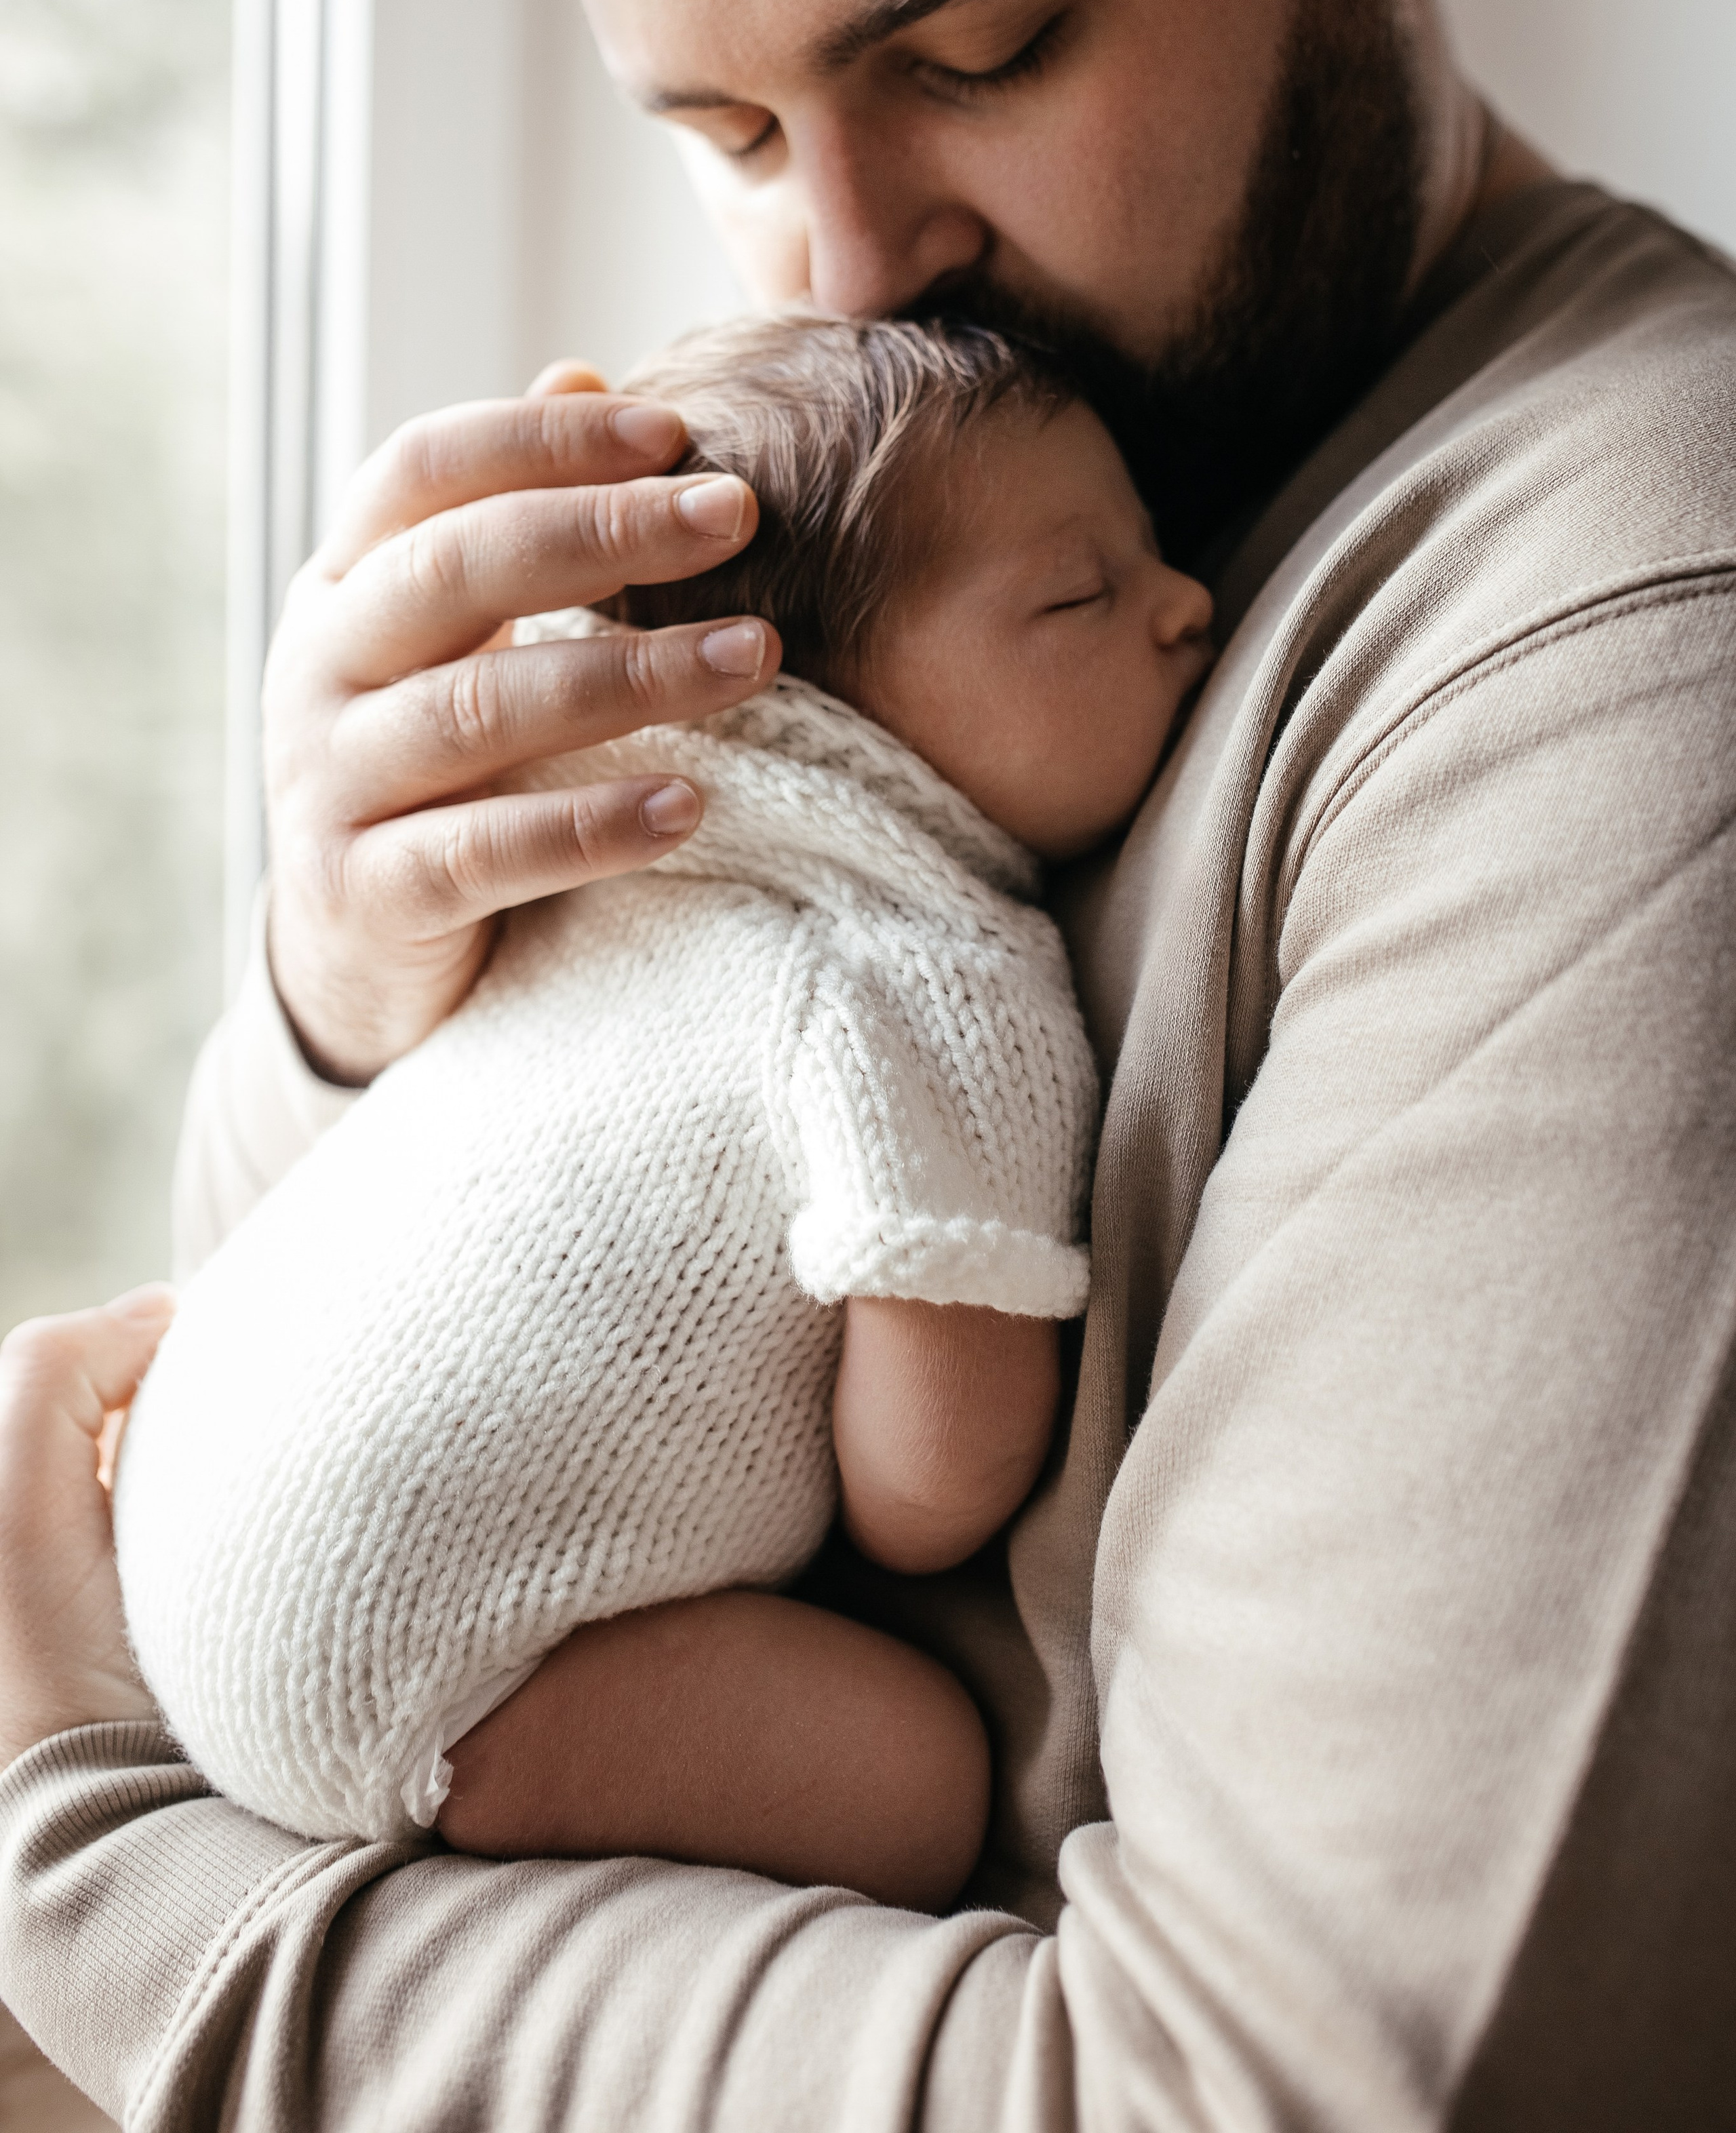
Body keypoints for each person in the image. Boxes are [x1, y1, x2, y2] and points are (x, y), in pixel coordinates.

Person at [0, 0, 1732, 2124]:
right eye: (717, 124)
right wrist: (361, 975)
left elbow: (1251, 2097)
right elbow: (393, 1406)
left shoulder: (1620, 638)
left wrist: (90, 1859)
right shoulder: (910, 555)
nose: (852, 267)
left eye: (986, 48)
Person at [111, 317, 1211, 1904]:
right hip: (378, 1650)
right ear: (814, 689)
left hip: (183, 1495)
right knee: (924, 1778)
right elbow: (931, 1485)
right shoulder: (926, 976)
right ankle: (456, 1786)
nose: (1188, 607)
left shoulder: (584, 851)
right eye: (1078, 592)